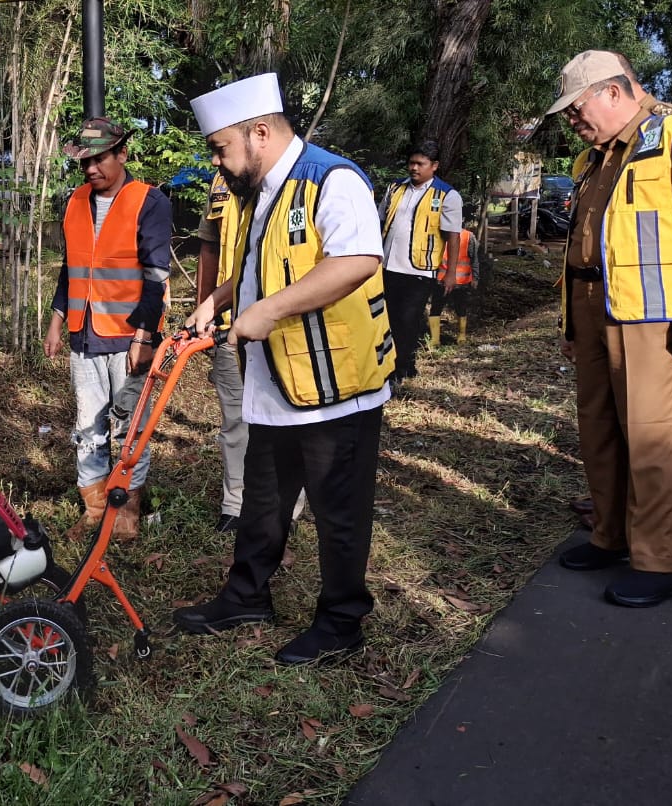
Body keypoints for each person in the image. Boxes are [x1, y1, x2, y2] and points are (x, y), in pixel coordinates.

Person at [174, 73, 394, 665]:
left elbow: (357, 260)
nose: (218, 163)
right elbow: (254, 268)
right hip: (275, 380)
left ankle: (342, 620)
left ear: (261, 133)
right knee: (263, 500)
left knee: (338, 512)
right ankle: (247, 594)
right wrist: (217, 301)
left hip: (334, 386)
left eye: (221, 149)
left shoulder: (332, 179)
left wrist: (267, 311)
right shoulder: (255, 193)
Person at [550, 50, 672, 607]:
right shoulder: (594, 158)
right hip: (596, 309)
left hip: (653, 316)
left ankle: (660, 562)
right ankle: (610, 536)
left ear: (613, 92)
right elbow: (582, 242)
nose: (573, 120)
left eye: (577, 107)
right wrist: (573, 321)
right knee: (599, 430)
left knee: (651, 437)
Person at [43, 117, 172, 542]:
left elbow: (156, 279)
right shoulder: (74, 202)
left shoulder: (148, 202)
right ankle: (96, 508)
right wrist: (57, 320)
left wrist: (144, 336)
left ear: (122, 155)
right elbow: (71, 270)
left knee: (129, 427)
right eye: (85, 162)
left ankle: (128, 509)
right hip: (83, 336)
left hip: (126, 338)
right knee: (88, 426)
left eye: (99, 159)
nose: (91, 169)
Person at [197, 170, 304, 565]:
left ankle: (287, 511)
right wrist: (205, 306)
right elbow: (210, 248)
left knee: (286, 423)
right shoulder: (220, 185)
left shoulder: (296, 183)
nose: (219, 157)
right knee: (235, 419)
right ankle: (233, 505)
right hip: (230, 323)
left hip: (284, 328)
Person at [379, 141, 463, 382]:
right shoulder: (395, 188)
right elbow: (380, 220)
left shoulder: (446, 195)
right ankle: (392, 366)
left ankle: (402, 369)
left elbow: (453, 236)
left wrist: (451, 273)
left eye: (420, 164)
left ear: (434, 166)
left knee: (407, 320)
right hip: (387, 267)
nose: (414, 168)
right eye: (411, 163)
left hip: (419, 270)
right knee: (387, 318)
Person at [427, 227, 477, 346]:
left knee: (461, 308)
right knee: (436, 308)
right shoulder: (438, 233)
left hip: (461, 282)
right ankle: (435, 340)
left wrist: (476, 277)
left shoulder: (468, 236)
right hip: (441, 280)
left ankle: (461, 336)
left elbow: (474, 258)